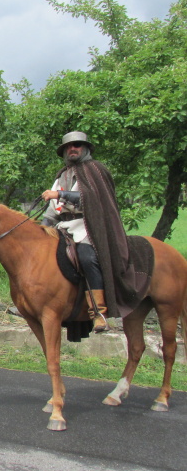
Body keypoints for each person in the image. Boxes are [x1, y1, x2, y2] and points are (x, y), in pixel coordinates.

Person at [41, 131, 149, 333]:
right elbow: (52, 211)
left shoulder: (95, 170)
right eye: (68, 146)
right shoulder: (62, 175)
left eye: (77, 145)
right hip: (63, 227)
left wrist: (60, 194)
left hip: (88, 226)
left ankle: (99, 312)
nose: (72, 149)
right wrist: (41, 228)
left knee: (86, 257)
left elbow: (90, 199)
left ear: (86, 148)